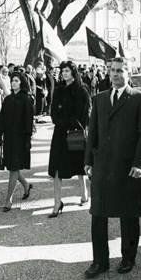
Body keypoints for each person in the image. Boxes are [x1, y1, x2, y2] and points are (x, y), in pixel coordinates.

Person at [83, 57, 141, 277]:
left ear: (129, 74)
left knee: (129, 214)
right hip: (103, 165)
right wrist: (88, 161)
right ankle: (99, 261)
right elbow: (92, 132)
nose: (115, 74)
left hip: (128, 167)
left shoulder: (140, 98)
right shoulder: (100, 99)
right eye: (112, 70)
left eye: (120, 71)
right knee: (98, 215)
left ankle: (128, 258)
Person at [48, 60, 91, 217]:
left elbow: (85, 113)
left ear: (73, 72)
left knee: (79, 164)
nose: (64, 73)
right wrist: (60, 121)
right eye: (62, 71)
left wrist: (74, 124)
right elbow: (53, 112)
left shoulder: (81, 90)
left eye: (67, 70)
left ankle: (84, 192)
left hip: (75, 133)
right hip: (60, 133)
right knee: (57, 167)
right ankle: (57, 202)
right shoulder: (59, 90)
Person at [0, 72, 34, 211]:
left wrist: (28, 139)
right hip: (9, 137)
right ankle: (26, 185)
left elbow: (29, 121)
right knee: (12, 166)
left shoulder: (27, 99)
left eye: (16, 80)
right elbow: (2, 118)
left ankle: (8, 200)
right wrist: (0, 135)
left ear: (22, 82)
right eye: (12, 80)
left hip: (20, 137)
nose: (13, 83)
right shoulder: (8, 99)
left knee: (13, 168)